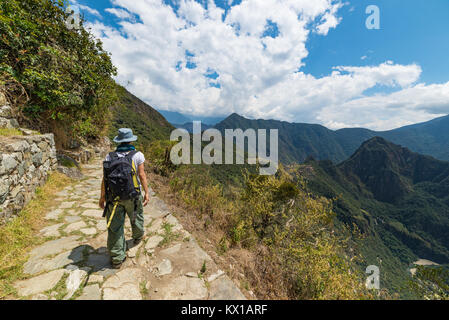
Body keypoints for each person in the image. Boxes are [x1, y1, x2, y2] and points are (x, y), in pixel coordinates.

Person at [99, 128, 150, 269]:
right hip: (133, 195)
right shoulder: (138, 155)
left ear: (118, 141)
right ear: (131, 140)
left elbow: (105, 179)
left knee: (115, 227)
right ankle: (138, 236)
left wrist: (102, 197)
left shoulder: (110, 156)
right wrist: (146, 192)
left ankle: (117, 258)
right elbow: (142, 175)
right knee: (136, 216)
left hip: (114, 198)